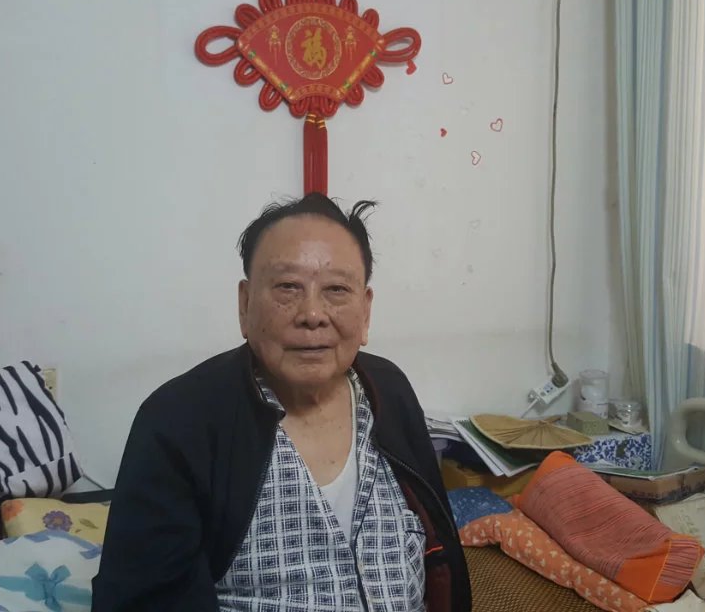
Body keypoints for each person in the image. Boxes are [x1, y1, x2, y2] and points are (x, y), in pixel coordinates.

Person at [92, 194, 470, 611]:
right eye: (288, 287)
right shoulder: (178, 420)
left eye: (336, 290)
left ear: (365, 312)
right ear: (244, 304)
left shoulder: (389, 390)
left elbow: (442, 550)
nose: (313, 314)